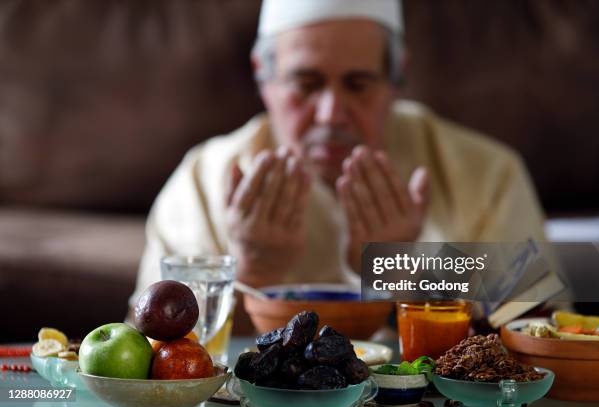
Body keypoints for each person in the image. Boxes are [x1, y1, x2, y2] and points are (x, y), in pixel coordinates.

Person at [129, 0, 551, 315]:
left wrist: (403, 277)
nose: (331, 113)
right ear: (263, 74)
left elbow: (538, 320)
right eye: (305, 84)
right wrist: (253, 276)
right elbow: (147, 340)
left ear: (396, 77)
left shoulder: (485, 172)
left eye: (358, 84)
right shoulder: (204, 178)